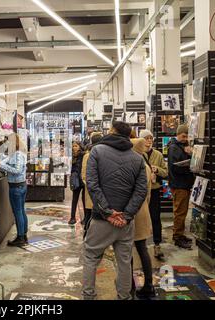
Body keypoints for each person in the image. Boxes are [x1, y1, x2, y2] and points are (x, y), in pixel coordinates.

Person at [83, 121, 147, 300]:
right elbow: (141, 191)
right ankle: (124, 296)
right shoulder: (137, 158)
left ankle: (88, 295)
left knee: (91, 257)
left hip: (101, 220)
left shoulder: (96, 151)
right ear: (129, 136)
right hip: (125, 223)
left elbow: (92, 184)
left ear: (112, 131)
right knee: (124, 262)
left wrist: (107, 212)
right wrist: (126, 215)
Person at [131, 138, 155, 298]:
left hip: (134, 212)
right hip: (143, 210)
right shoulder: (145, 165)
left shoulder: (136, 165)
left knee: (127, 250)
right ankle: (148, 284)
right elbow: (148, 193)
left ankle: (132, 285)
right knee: (142, 248)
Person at [139, 129, 168, 260]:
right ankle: (141, 244)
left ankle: (157, 244)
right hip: (141, 191)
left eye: (151, 138)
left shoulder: (158, 154)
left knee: (155, 218)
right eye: (146, 138)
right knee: (141, 218)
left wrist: (157, 170)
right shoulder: (137, 154)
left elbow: (166, 172)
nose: (149, 141)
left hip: (155, 190)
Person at [168, 124, 195, 249]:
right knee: (180, 212)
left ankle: (180, 234)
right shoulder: (174, 148)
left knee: (182, 211)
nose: (185, 139)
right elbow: (175, 167)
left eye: (187, 136)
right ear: (178, 134)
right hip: (179, 184)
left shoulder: (181, 146)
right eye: (183, 136)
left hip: (183, 183)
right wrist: (188, 165)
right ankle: (177, 236)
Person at [0, 133, 28, 247]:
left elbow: (17, 170)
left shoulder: (18, 154)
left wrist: (2, 165)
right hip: (20, 186)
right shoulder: (16, 153)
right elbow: (7, 160)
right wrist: (2, 161)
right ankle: (23, 235)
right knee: (21, 211)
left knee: (18, 212)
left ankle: (21, 237)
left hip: (17, 186)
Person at [81, 132, 103, 228]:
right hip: (92, 190)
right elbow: (84, 175)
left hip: (98, 191)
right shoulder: (88, 155)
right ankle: (87, 233)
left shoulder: (102, 154)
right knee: (90, 215)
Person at [69, 141, 85, 225]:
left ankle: (85, 218)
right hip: (75, 180)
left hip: (83, 179)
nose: (74, 147)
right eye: (73, 146)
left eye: (76, 146)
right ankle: (72, 217)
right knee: (74, 199)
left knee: (84, 199)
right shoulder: (71, 156)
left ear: (79, 146)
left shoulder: (83, 155)